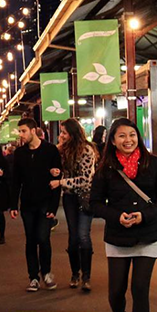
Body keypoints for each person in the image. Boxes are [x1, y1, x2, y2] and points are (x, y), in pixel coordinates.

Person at [90, 117, 157, 312]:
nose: (128, 140)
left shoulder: (153, 164)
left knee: (140, 289)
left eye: (132, 135)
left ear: (138, 137)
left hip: (148, 235)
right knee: (116, 292)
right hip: (117, 236)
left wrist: (145, 215)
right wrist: (116, 216)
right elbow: (94, 203)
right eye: (122, 136)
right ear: (113, 141)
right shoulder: (105, 169)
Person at [10, 118, 61, 292]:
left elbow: (57, 180)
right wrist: (13, 205)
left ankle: (46, 272)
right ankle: (33, 277)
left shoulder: (50, 150)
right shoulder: (20, 153)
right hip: (27, 204)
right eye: (20, 131)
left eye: (24, 131)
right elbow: (16, 181)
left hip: (45, 202)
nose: (21, 135)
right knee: (30, 240)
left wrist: (53, 208)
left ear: (33, 131)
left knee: (43, 238)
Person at [51, 118, 97, 291]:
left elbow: (85, 180)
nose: (60, 135)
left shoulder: (87, 150)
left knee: (83, 236)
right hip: (70, 198)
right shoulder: (62, 150)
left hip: (85, 197)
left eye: (63, 132)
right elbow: (58, 168)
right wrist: (56, 171)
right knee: (73, 237)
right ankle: (74, 273)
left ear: (72, 133)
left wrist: (61, 182)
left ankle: (86, 276)